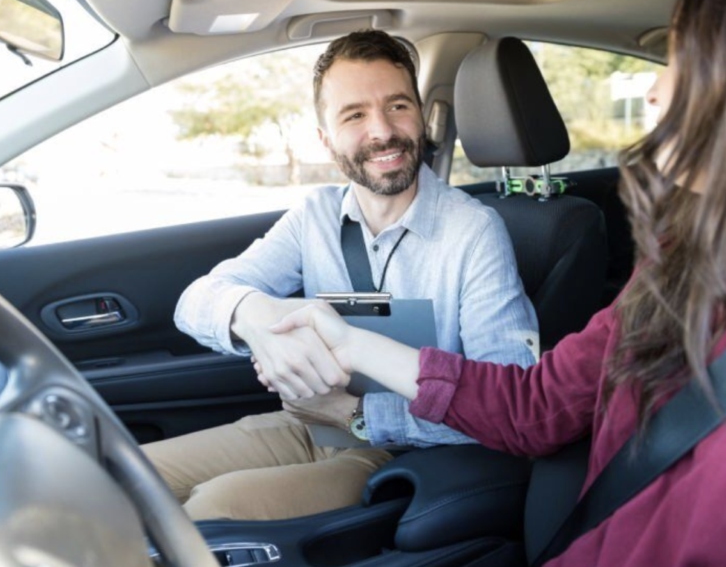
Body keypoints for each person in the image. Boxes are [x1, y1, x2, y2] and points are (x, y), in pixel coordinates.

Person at [264, 0, 726, 564]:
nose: (653, 90)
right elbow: (531, 408)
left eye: (682, 56)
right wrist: (345, 344)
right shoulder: (680, 262)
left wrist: (355, 411)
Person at [142, 29, 539, 521]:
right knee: (123, 477)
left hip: (408, 450)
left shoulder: (474, 232)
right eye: (355, 114)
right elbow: (196, 300)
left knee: (215, 510)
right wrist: (253, 316)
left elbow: (509, 401)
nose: (382, 131)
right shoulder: (315, 216)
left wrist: (358, 417)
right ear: (326, 140)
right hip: (307, 426)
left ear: (419, 116)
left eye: (397, 106)